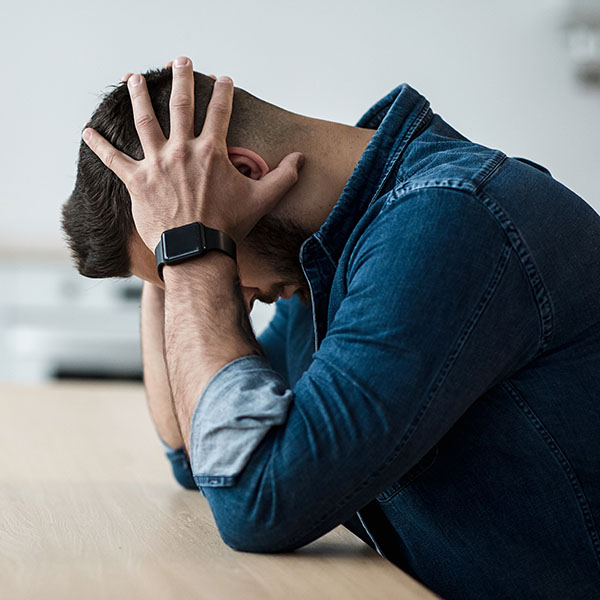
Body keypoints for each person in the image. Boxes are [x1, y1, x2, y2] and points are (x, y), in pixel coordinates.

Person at [62, 56, 600, 599]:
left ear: (242, 175)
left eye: (175, 262)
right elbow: (200, 452)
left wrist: (188, 246)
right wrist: (174, 253)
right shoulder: (330, 252)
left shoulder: (448, 220)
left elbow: (253, 494)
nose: (238, 294)